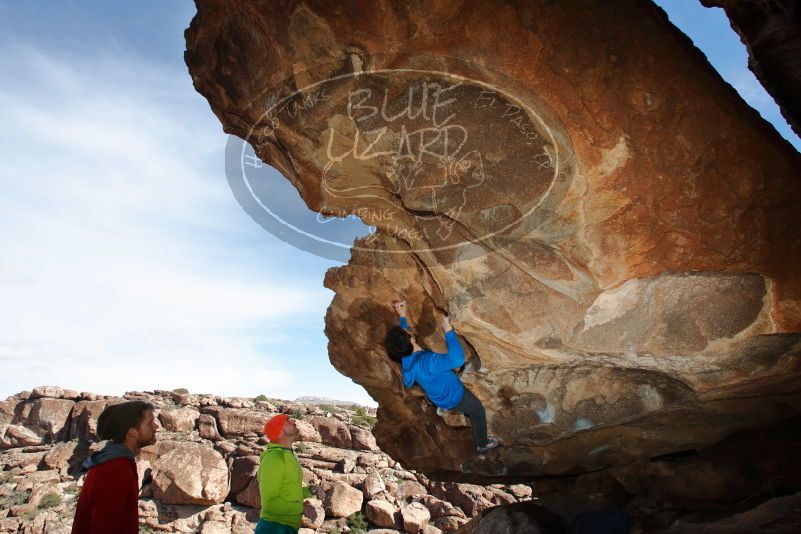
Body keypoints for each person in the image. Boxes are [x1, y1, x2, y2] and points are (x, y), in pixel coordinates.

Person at [384, 300, 499, 455]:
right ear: (411, 339)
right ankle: (482, 444)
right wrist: (448, 330)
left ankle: (443, 407)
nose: (408, 330)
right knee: (477, 411)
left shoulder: (407, 360)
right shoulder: (429, 361)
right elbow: (457, 359)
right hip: (456, 396)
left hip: (438, 397)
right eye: (407, 332)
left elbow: (403, 340)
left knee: (439, 388)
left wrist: (402, 316)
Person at [72, 400, 158, 534]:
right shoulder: (115, 470)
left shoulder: (116, 462)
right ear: (131, 432)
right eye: (150, 422)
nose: (156, 426)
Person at [256, 414, 313, 534]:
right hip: (272, 528)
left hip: (286, 527)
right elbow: (270, 503)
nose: (293, 420)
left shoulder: (287, 454)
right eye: (287, 421)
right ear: (279, 432)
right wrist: (302, 508)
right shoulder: (273, 459)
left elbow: (288, 491)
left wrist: (310, 491)